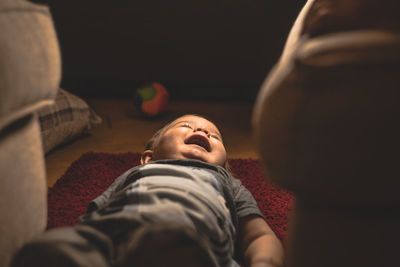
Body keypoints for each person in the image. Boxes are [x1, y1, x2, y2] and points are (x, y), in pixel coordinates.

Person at [11, 114, 283, 267]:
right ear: (148, 158)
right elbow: (95, 213)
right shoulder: (137, 173)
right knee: (56, 245)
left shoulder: (227, 182)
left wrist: (264, 262)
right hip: (115, 235)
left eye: (215, 135)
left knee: (174, 243)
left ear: (224, 164)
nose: (202, 129)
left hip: (201, 245)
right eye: (185, 126)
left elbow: (258, 235)